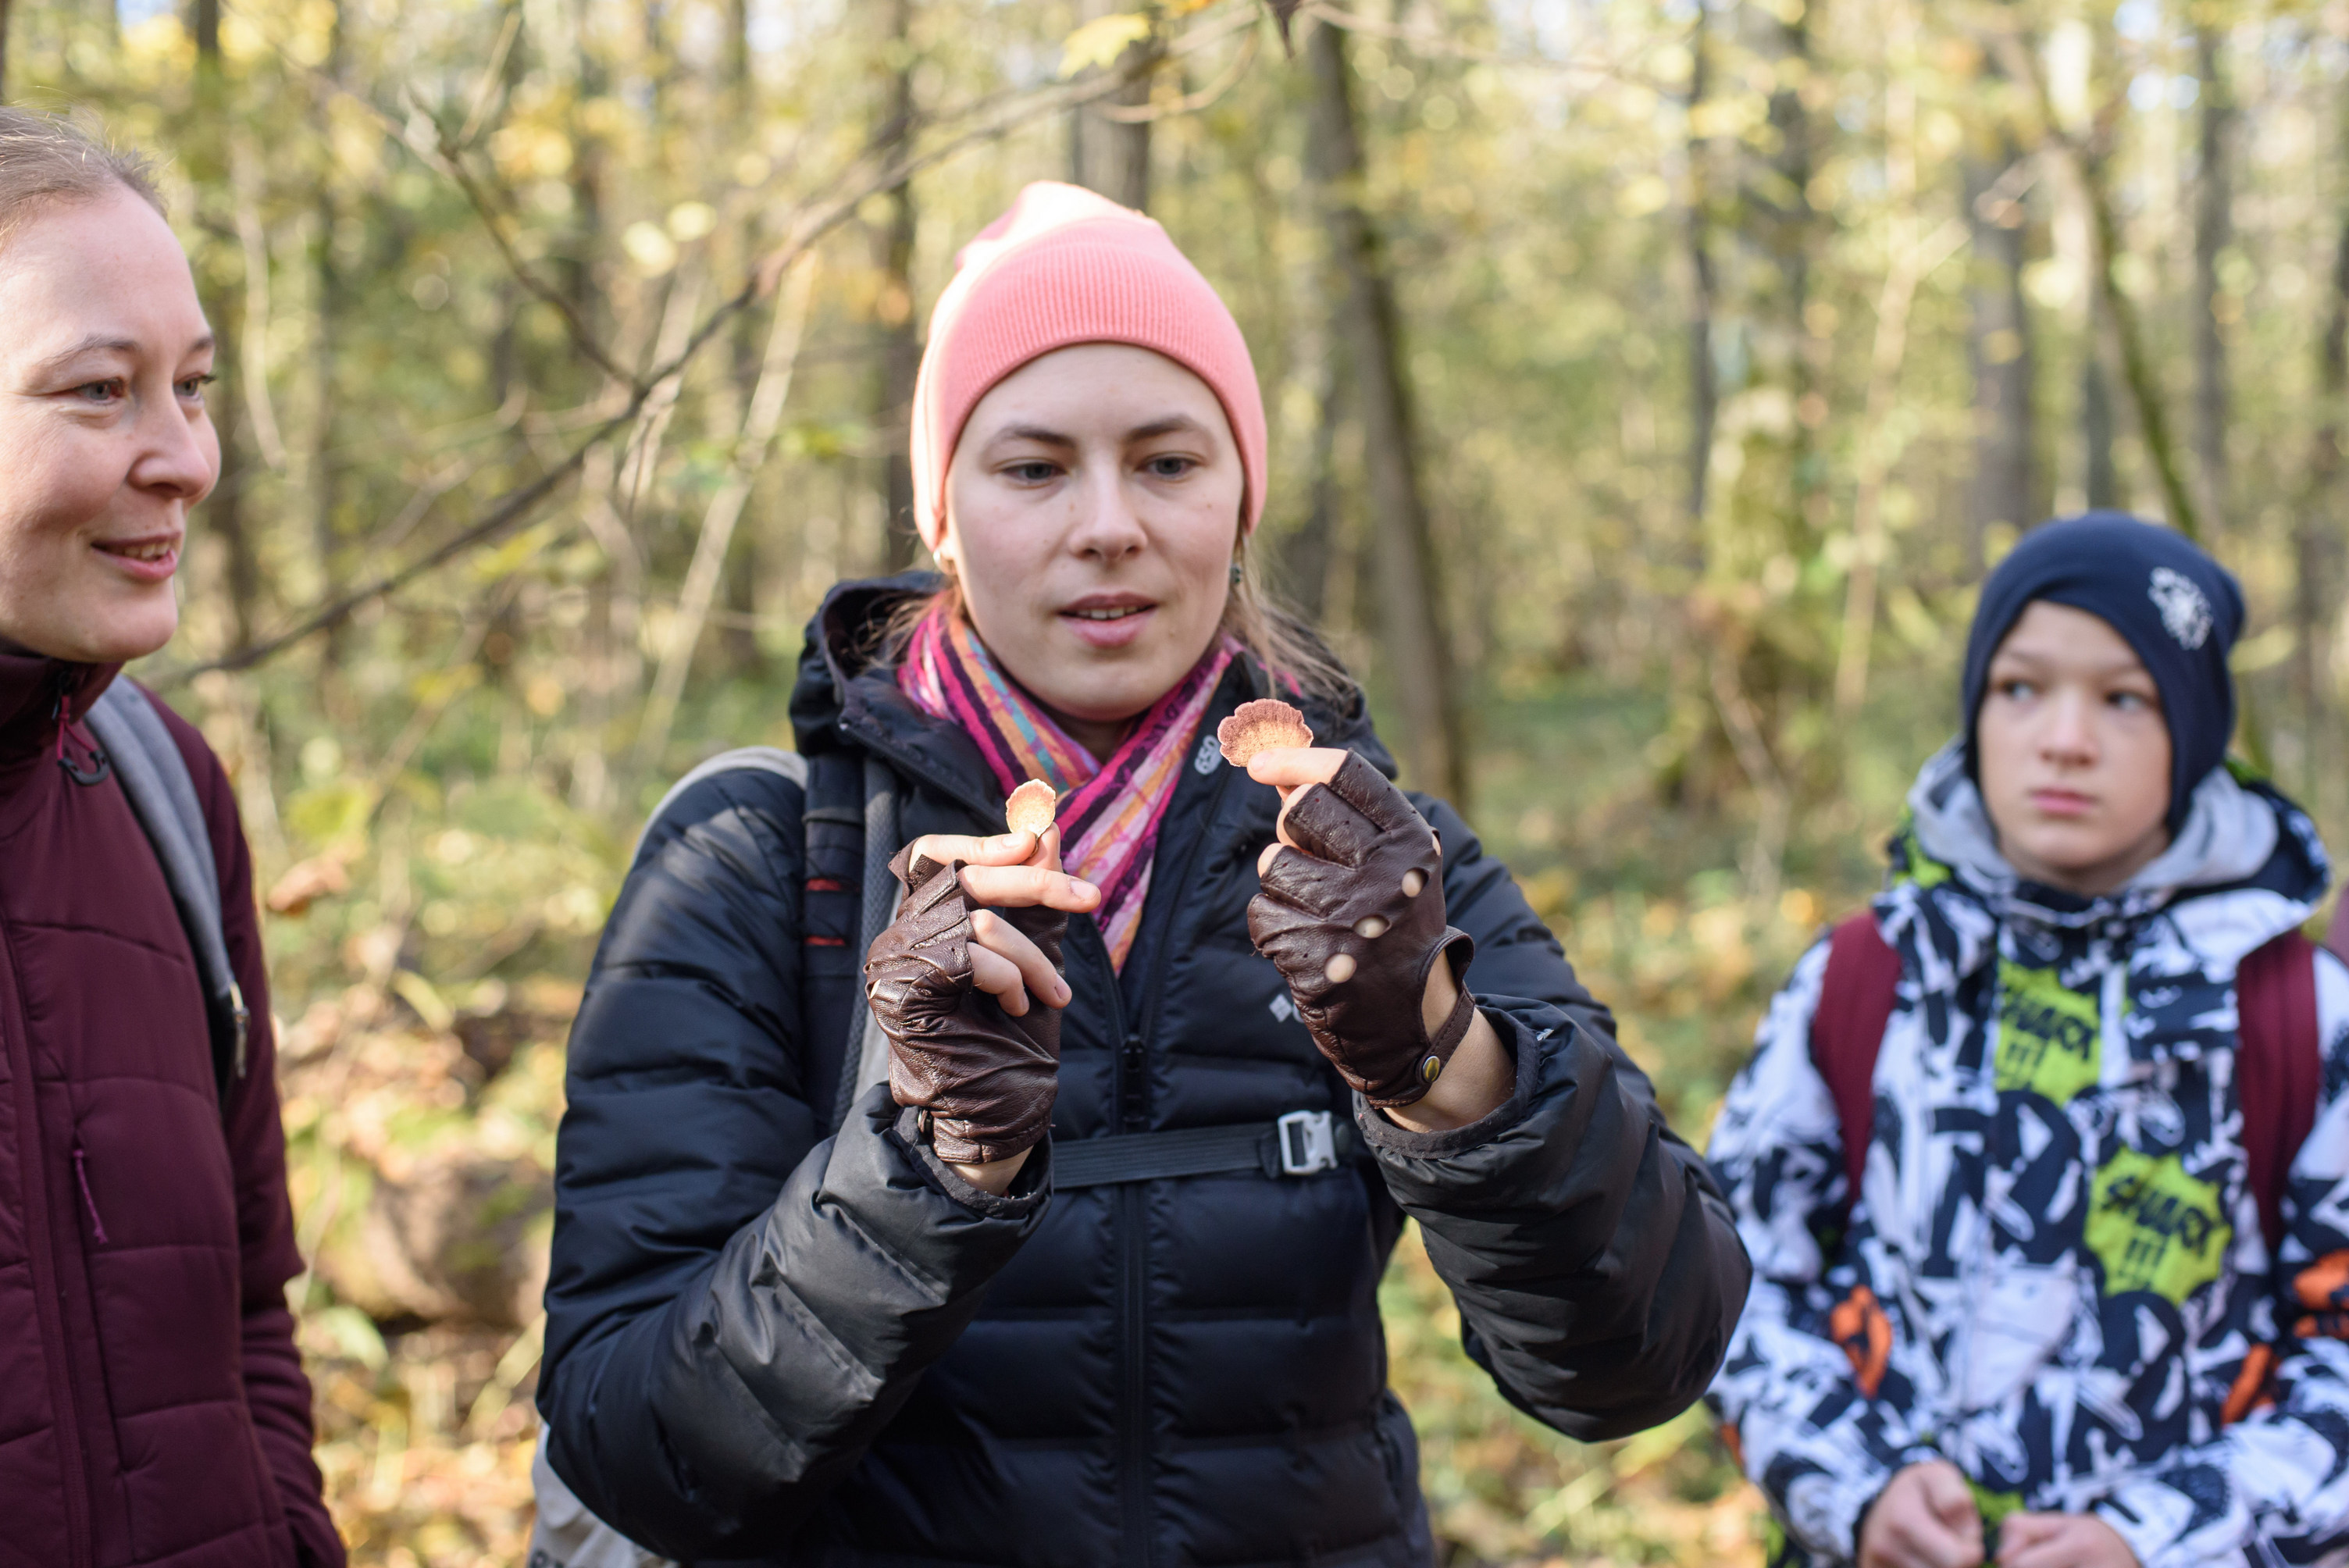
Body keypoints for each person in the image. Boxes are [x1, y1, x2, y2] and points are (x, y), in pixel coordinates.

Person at [539, 180, 1750, 1565]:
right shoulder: (763, 863)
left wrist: (1438, 1058)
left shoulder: (1374, 857)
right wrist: (935, 1162)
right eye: (1034, 468)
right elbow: (633, 1452)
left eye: (1169, 462)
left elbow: (1645, 1360)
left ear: (1241, 501)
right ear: (943, 516)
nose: (1108, 522)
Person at [1706, 515, 2349, 1568]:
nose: (2064, 739)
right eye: (2020, 688)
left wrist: (2159, 1539)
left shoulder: (2300, 1015)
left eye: (2125, 699)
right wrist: (1854, 1487)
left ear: (2193, 732)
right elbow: (1729, 1282)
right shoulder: (1863, 978)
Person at [0, 110, 343, 1566]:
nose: (188, 460)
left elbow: (250, 1309)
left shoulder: (165, 786)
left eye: (191, 387)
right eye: (101, 391)